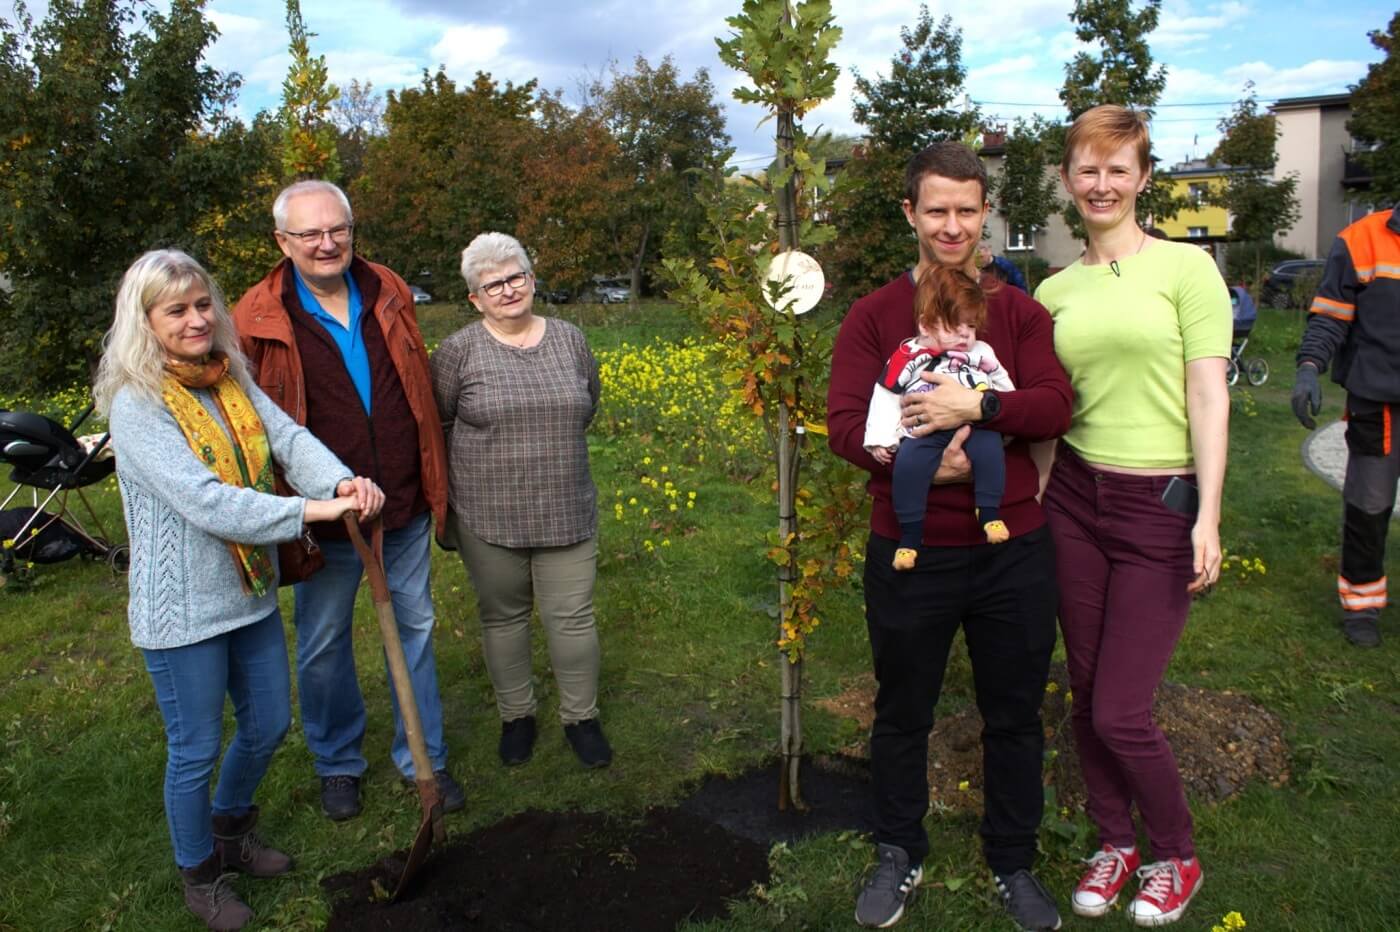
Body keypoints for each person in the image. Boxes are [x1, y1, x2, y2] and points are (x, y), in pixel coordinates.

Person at [94, 250, 384, 930]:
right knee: (194, 747)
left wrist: (337, 481)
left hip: (245, 589)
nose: (197, 320)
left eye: (203, 305)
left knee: (267, 725)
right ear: (144, 322)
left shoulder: (227, 378)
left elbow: (287, 438)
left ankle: (231, 829)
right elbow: (206, 502)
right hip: (183, 610)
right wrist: (307, 513)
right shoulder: (137, 406)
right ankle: (199, 875)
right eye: (177, 310)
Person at [828, 141, 1073, 930]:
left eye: (967, 210)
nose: (953, 225)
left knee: (1014, 713)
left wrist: (979, 412)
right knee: (903, 709)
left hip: (1012, 550)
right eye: (937, 209)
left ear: (984, 212)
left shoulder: (1019, 313)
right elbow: (841, 426)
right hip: (911, 547)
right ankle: (898, 848)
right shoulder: (873, 317)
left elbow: (1052, 406)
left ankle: (1014, 859)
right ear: (911, 213)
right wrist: (920, 471)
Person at [1034, 105, 1230, 927]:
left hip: (1159, 503)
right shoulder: (1051, 289)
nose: (1102, 183)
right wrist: (1037, 497)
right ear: (1068, 180)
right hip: (1075, 499)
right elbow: (1050, 409)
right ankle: (1114, 841)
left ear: (1144, 178)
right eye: (1088, 167)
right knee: (1084, 690)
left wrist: (1209, 515)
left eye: (1119, 168)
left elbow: (1207, 392)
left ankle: (1174, 854)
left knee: (1121, 706)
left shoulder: (1188, 271)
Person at [232, 180, 462, 820]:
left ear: (352, 230)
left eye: (338, 230)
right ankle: (337, 762)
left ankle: (426, 760)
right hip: (323, 520)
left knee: (414, 630)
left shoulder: (386, 287)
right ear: (283, 241)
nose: (327, 243)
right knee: (323, 643)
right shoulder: (256, 316)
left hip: (403, 505)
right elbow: (256, 424)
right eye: (309, 234)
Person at [430, 232, 612, 769]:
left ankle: (582, 718)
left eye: (516, 277)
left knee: (572, 619)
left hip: (566, 507)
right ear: (475, 298)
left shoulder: (571, 340)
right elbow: (439, 422)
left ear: (532, 279)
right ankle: (517, 717)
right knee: (503, 617)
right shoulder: (458, 352)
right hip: (488, 515)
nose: (507, 290)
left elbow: (588, 404)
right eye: (493, 284)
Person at [1292, 204, 1400, 648]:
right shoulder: (1361, 238)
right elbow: (1331, 315)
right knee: (1368, 507)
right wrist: (1308, 367)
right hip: (1378, 403)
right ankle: (1362, 607)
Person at [864, 265, 1016, 566]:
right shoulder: (907, 356)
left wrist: (1005, 414)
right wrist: (880, 438)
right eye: (954, 325)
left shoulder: (981, 353)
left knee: (990, 452)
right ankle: (910, 537)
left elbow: (1004, 386)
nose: (965, 335)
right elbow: (886, 394)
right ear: (925, 325)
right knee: (907, 467)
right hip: (924, 431)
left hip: (974, 425)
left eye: (971, 327)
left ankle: (988, 512)